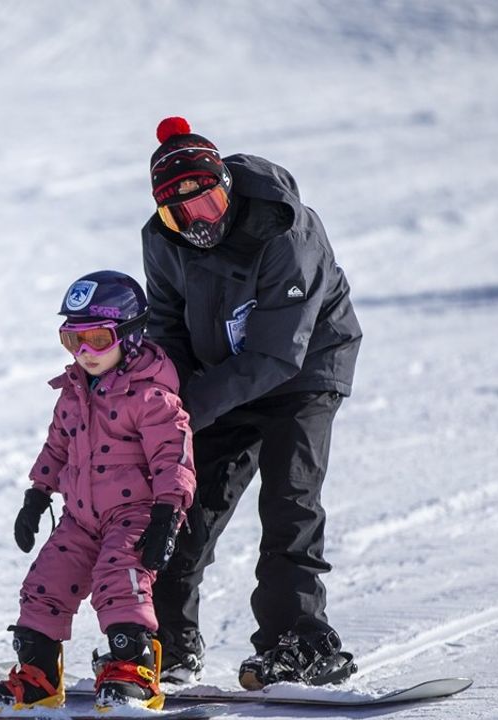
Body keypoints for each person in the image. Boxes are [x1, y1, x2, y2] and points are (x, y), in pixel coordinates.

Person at [140, 117, 363, 689]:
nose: (196, 224)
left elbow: (277, 353)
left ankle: (299, 640)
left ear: (227, 189)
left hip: (304, 370)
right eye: (177, 214)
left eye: (207, 204)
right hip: (222, 376)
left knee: (289, 501)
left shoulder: (285, 229)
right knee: (187, 501)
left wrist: (187, 406)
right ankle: (167, 640)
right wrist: (163, 402)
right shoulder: (162, 241)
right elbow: (166, 327)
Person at [0, 270, 196, 712]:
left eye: (98, 339)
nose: (85, 352)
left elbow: (173, 457)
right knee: (44, 584)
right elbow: (56, 446)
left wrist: (166, 515)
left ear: (130, 335)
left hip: (135, 515)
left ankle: (132, 669)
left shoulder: (151, 397)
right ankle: (39, 676)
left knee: (119, 581)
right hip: (80, 517)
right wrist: (37, 494)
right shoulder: (73, 392)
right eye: (72, 340)